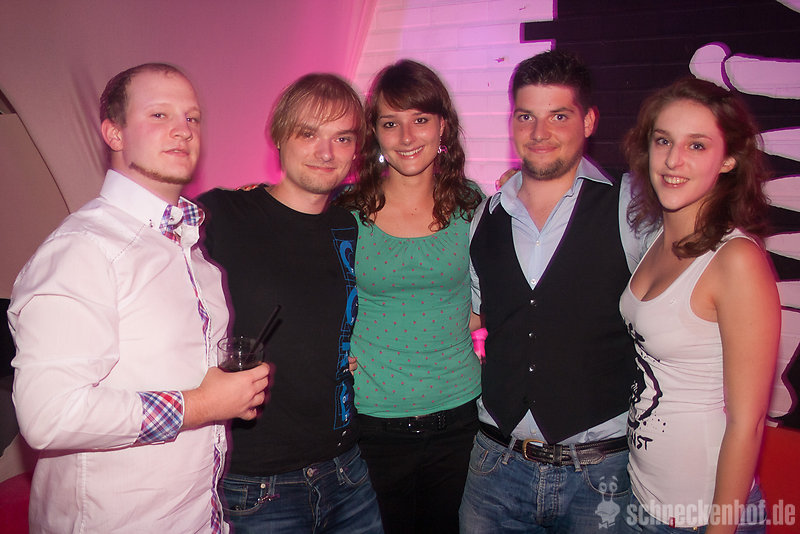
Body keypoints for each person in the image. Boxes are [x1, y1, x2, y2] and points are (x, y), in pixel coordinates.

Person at [8, 63, 270, 532]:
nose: (183, 130)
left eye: (192, 118)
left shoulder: (193, 253)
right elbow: (49, 415)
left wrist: (228, 394)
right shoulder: (84, 249)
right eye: (159, 114)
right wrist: (202, 405)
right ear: (114, 132)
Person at [462, 49, 644, 533]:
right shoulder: (485, 216)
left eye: (558, 116)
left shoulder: (631, 208)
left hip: (602, 476)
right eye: (527, 116)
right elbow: (476, 315)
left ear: (589, 120)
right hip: (495, 469)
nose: (539, 132)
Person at [198, 73, 383, 534]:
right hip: (257, 485)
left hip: (347, 469)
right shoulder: (222, 215)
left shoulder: (348, 225)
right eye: (308, 134)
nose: (326, 152)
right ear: (279, 136)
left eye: (342, 138)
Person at [619, 78, 779, 533]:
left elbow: (748, 423)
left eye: (697, 145)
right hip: (642, 499)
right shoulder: (656, 239)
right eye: (663, 141)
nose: (674, 160)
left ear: (728, 159)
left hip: (701, 516)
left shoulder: (736, 260)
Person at [335, 59, 483, 534]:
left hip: (460, 420)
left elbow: (499, 300)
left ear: (443, 125)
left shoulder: (473, 206)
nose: (406, 136)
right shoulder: (347, 212)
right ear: (374, 133)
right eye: (390, 123)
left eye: (420, 119)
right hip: (372, 423)